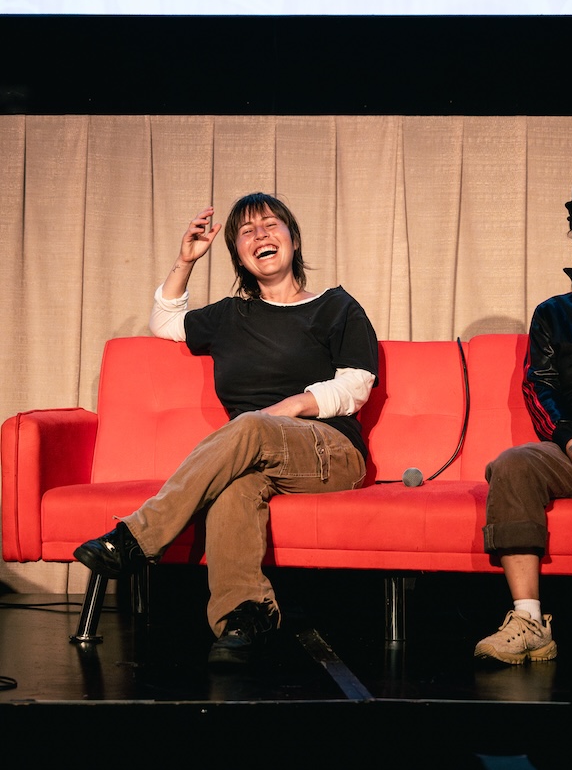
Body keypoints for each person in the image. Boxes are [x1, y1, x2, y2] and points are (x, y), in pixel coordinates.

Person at [74, 193, 378, 664]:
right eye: (247, 232)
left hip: (329, 450)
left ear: (293, 239)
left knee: (251, 426)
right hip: (254, 450)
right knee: (235, 487)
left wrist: (292, 406)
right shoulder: (229, 316)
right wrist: (185, 260)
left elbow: (357, 383)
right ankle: (246, 617)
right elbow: (166, 321)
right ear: (238, 255)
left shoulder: (336, 307)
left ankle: (136, 539)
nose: (261, 235)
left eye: (270, 225)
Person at [474, 166, 572, 666]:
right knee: (514, 463)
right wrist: (570, 441)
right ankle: (528, 620)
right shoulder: (554, 312)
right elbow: (539, 387)